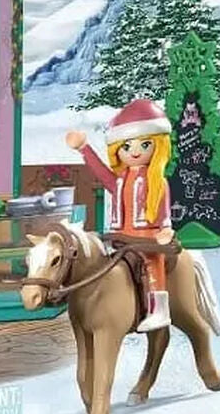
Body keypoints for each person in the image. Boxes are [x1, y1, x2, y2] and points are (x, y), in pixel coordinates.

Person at [65, 98, 174, 332]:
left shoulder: (158, 182)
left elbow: (164, 212)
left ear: (158, 145)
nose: (134, 151)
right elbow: (101, 173)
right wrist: (84, 148)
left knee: (151, 263)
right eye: (127, 146)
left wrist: (165, 229)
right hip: (120, 235)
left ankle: (159, 309)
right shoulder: (121, 181)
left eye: (144, 144)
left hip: (146, 237)